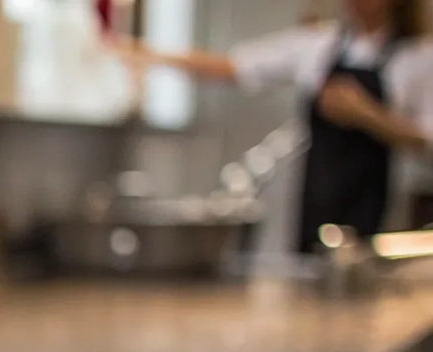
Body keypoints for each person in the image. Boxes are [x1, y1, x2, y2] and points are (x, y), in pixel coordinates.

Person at [121, 0, 433, 252]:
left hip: (377, 203)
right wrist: (143, 53)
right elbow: (233, 66)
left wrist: (367, 114)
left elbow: (425, 140)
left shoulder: (419, 57)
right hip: (313, 198)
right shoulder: (319, 44)